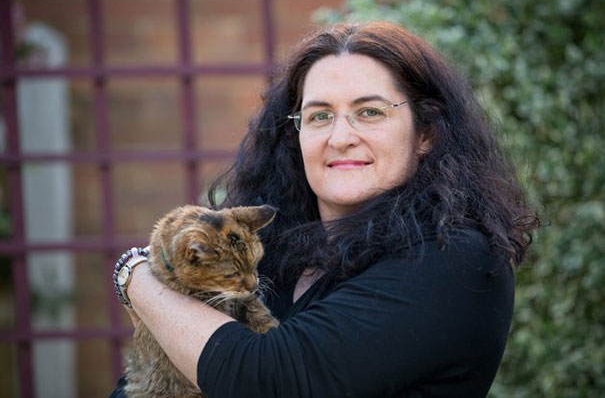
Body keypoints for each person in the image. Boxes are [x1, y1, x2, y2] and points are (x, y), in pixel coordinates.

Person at [110, 21, 538, 397]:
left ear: (425, 133)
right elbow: (145, 383)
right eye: (319, 116)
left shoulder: (454, 257)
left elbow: (271, 381)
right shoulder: (269, 251)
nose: (340, 138)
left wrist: (136, 277)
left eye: (369, 112)